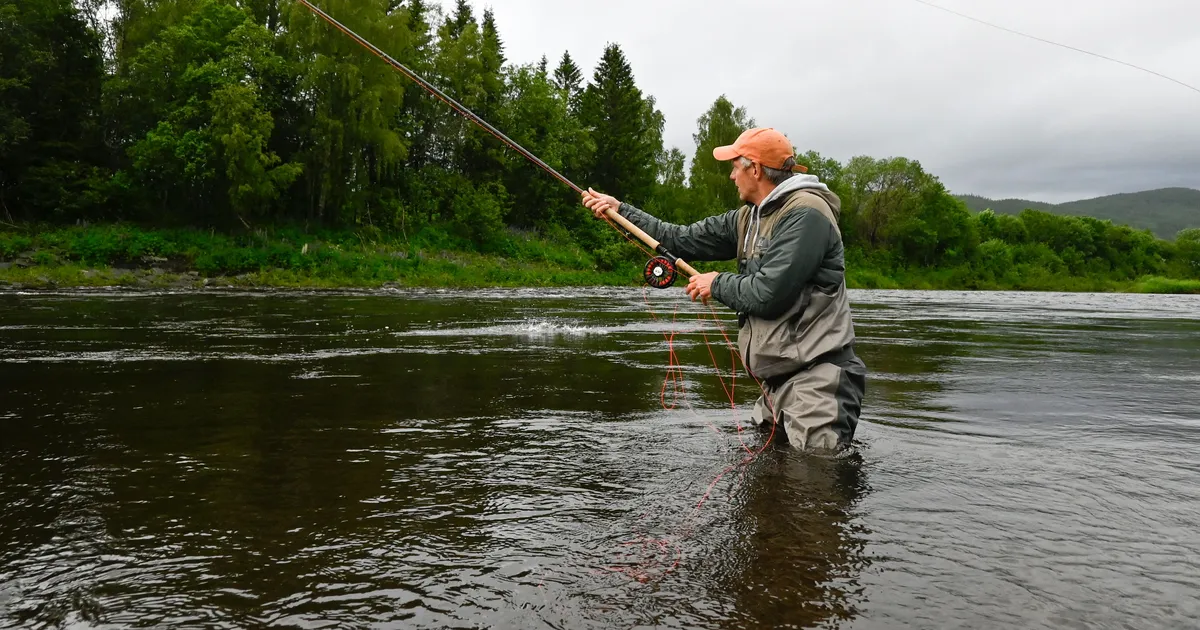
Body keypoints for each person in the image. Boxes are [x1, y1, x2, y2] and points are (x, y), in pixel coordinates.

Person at [581, 127, 867, 450]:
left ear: (755, 170)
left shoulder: (807, 214)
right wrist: (620, 211)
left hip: (818, 382)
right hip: (775, 387)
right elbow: (679, 239)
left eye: (735, 167)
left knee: (817, 484)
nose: (732, 176)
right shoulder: (747, 218)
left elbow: (768, 293)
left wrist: (715, 282)